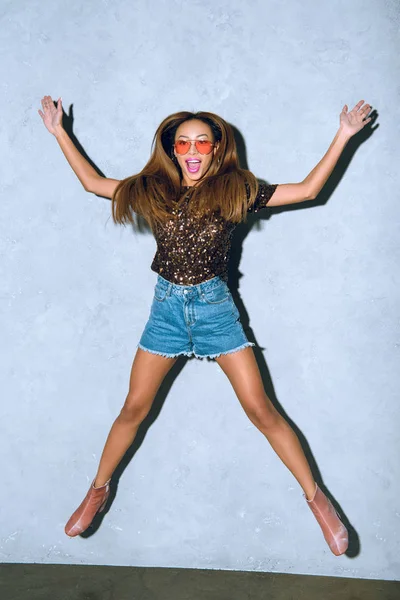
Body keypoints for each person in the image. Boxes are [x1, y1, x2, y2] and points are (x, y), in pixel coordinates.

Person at [39, 96, 371, 555]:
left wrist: (344, 135)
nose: (193, 149)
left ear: (216, 149)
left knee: (261, 410)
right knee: (133, 409)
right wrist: (59, 131)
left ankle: (317, 500)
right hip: (166, 312)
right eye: (183, 142)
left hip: (215, 312)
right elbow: (94, 183)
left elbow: (310, 189)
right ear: (172, 149)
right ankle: (98, 490)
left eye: (202, 141)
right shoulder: (151, 189)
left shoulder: (237, 189)